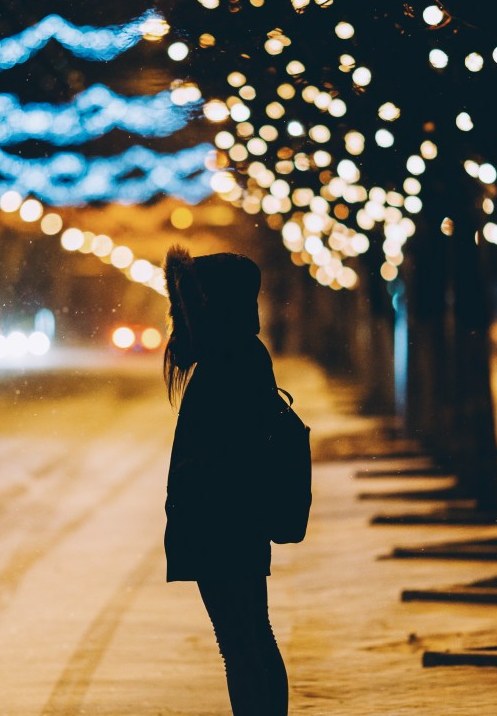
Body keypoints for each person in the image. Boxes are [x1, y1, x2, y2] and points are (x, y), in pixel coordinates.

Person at [162, 245, 288, 716]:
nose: (180, 318)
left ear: (210, 305)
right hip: (238, 519)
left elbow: (220, 454)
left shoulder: (225, 361)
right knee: (253, 635)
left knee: (239, 643)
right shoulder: (241, 352)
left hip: (220, 522)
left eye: (188, 303)